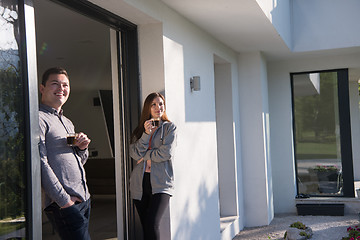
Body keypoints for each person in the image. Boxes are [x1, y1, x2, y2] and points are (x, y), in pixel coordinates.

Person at [39, 67, 92, 240]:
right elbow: (41, 164)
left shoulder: (67, 122)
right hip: (65, 203)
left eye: (65, 85)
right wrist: (64, 201)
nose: (61, 89)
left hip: (83, 199)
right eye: (55, 84)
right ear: (42, 88)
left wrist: (82, 148)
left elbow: (79, 161)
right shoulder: (39, 118)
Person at [129, 92, 177, 240]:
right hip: (139, 183)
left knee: (152, 223)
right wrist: (146, 134)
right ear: (148, 109)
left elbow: (166, 153)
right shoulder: (140, 130)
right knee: (145, 225)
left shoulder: (170, 128)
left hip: (162, 183)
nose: (158, 107)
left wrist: (146, 156)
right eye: (154, 105)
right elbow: (134, 153)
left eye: (161, 104)